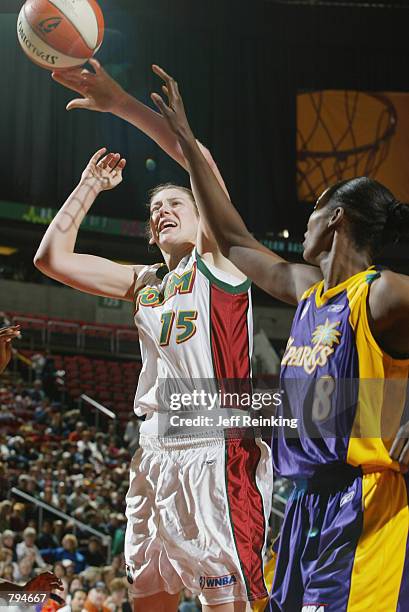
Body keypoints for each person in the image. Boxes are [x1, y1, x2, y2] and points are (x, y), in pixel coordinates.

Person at [149, 66, 409, 611]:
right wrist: (187, 143)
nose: (305, 221)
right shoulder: (308, 290)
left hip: (366, 500)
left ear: (335, 218)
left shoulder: (382, 294)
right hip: (306, 506)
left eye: (314, 210)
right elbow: (232, 236)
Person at [37, 63, 274, 612]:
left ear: (202, 218)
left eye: (176, 205)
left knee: (229, 602)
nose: (164, 211)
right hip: (154, 452)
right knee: (149, 596)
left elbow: (202, 165)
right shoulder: (145, 282)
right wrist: (88, 187)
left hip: (215, 446)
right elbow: (51, 258)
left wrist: (120, 101)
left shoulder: (220, 263)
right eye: (155, 210)